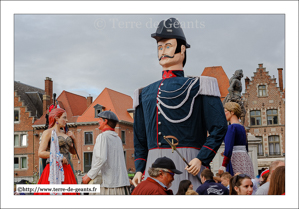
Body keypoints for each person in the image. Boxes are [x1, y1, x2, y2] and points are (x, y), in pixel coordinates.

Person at [133, 17, 228, 193]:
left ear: (182, 49)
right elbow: (140, 137)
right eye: (159, 47)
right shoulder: (144, 92)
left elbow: (219, 127)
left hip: (189, 163)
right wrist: (139, 168)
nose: (162, 51)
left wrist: (202, 158)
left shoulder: (200, 86)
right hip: (153, 167)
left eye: (167, 46)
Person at [82, 111, 130, 195]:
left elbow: (101, 159)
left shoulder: (102, 136)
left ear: (105, 121)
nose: (98, 121)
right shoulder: (118, 138)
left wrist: (89, 175)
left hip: (106, 186)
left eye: (100, 119)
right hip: (119, 185)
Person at [34, 108, 78, 195]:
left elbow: (73, 152)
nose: (66, 120)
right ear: (56, 118)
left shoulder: (65, 133)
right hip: (53, 168)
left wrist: (74, 139)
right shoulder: (48, 132)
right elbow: (40, 153)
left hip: (67, 169)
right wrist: (59, 156)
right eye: (64, 117)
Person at [218, 102, 255, 179]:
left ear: (232, 112)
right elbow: (245, 146)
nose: (224, 114)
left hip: (235, 159)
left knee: (236, 181)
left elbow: (229, 149)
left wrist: (223, 165)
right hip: (245, 158)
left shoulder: (231, 128)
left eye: (225, 111)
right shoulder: (242, 128)